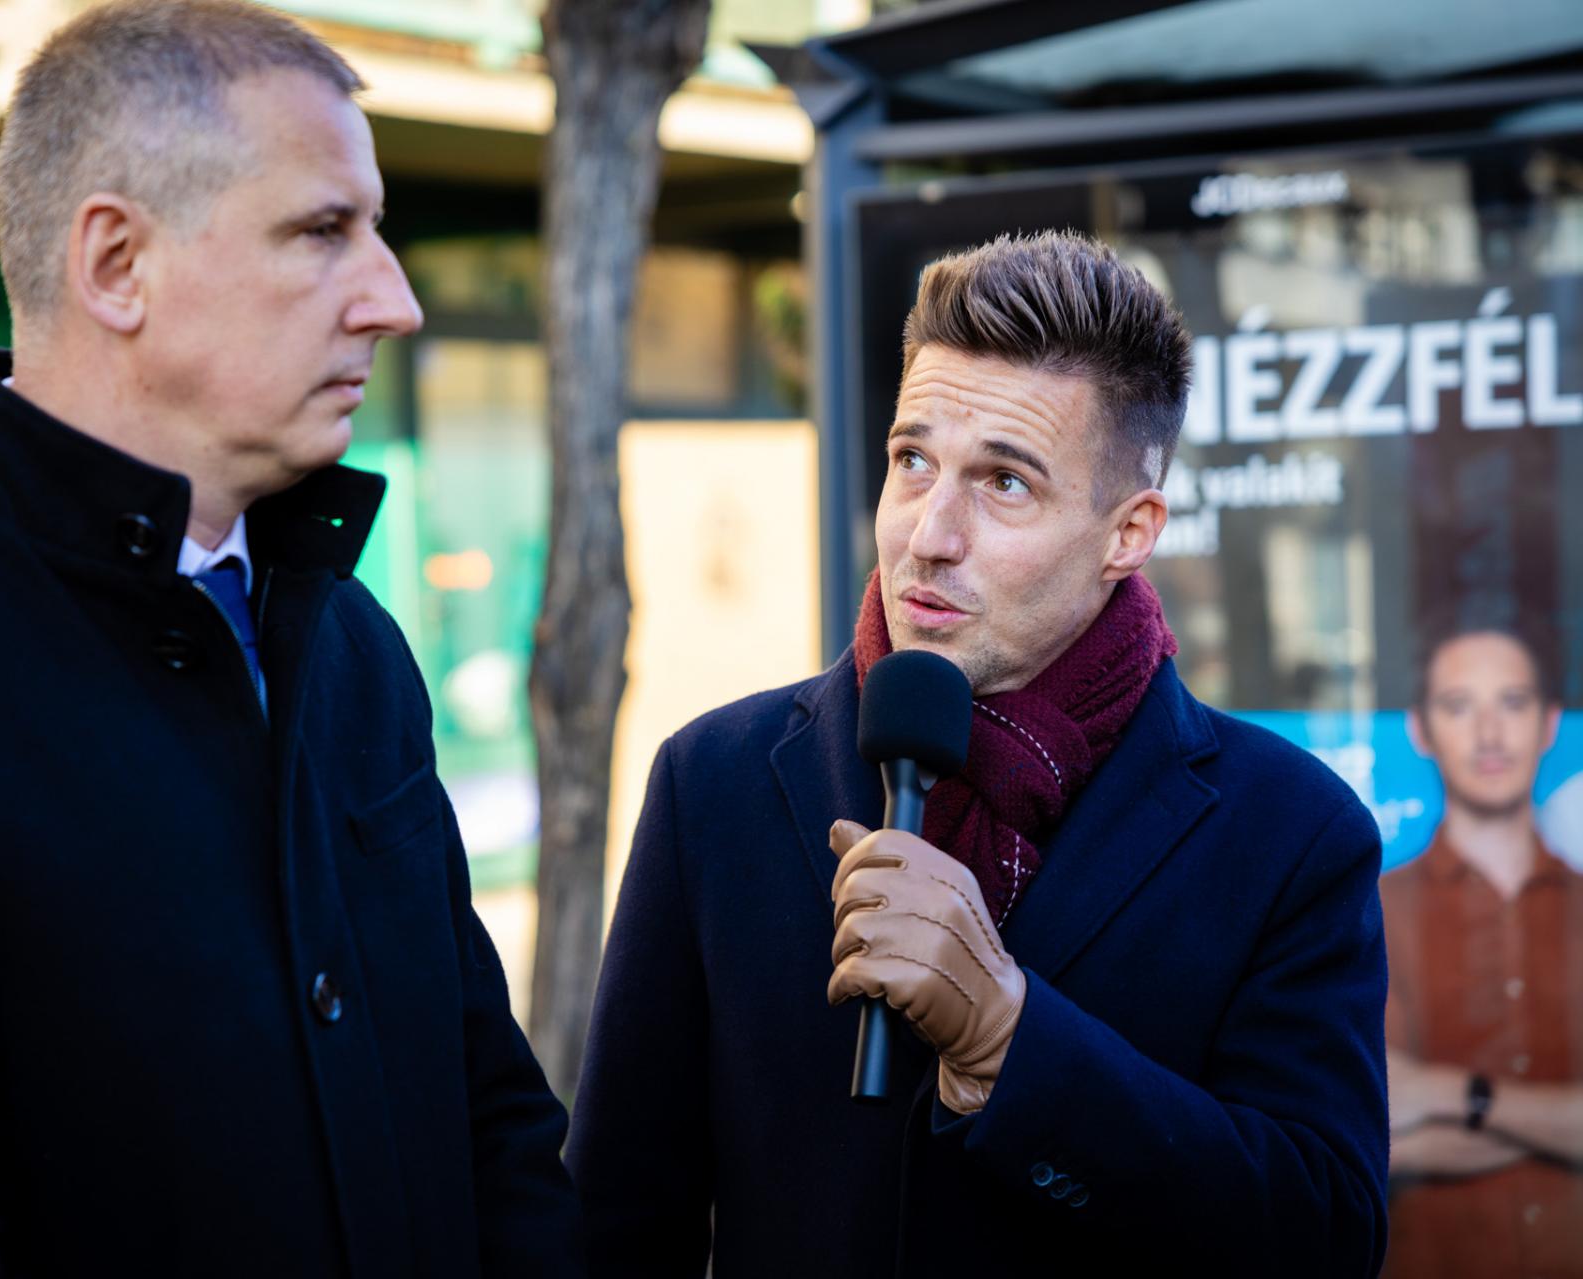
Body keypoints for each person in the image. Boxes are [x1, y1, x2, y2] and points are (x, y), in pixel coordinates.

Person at [0, 3, 583, 1276]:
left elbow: (495, 1121)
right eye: (323, 231)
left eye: (377, 231)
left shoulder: (350, 639)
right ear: (115, 264)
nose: (396, 300)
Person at [566, 231, 1389, 1277]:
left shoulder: (1291, 831)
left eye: (1004, 482)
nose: (929, 534)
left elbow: (1328, 1232)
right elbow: (619, 1219)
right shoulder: (715, 780)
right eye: (913, 461)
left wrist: (1012, 1038)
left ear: (1129, 533)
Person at [1381, 623, 1583, 1278]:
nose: (1490, 734)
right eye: (1459, 705)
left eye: (1513, 702)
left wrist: (1451, 1094)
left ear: (1550, 723)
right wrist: (1559, 1121)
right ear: (1421, 729)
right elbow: (1367, 1135)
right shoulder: (1368, 911)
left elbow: (1406, 1112)